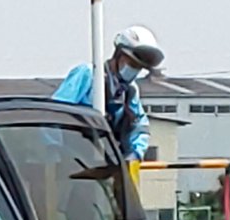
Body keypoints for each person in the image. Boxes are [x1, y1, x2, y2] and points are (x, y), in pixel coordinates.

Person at [53, 25, 167, 162]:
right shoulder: (88, 74)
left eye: (139, 67)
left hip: (108, 161)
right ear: (119, 55)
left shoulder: (130, 91)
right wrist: (56, 153)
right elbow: (56, 114)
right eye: (132, 63)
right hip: (73, 159)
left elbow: (139, 126)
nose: (134, 70)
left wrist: (135, 154)